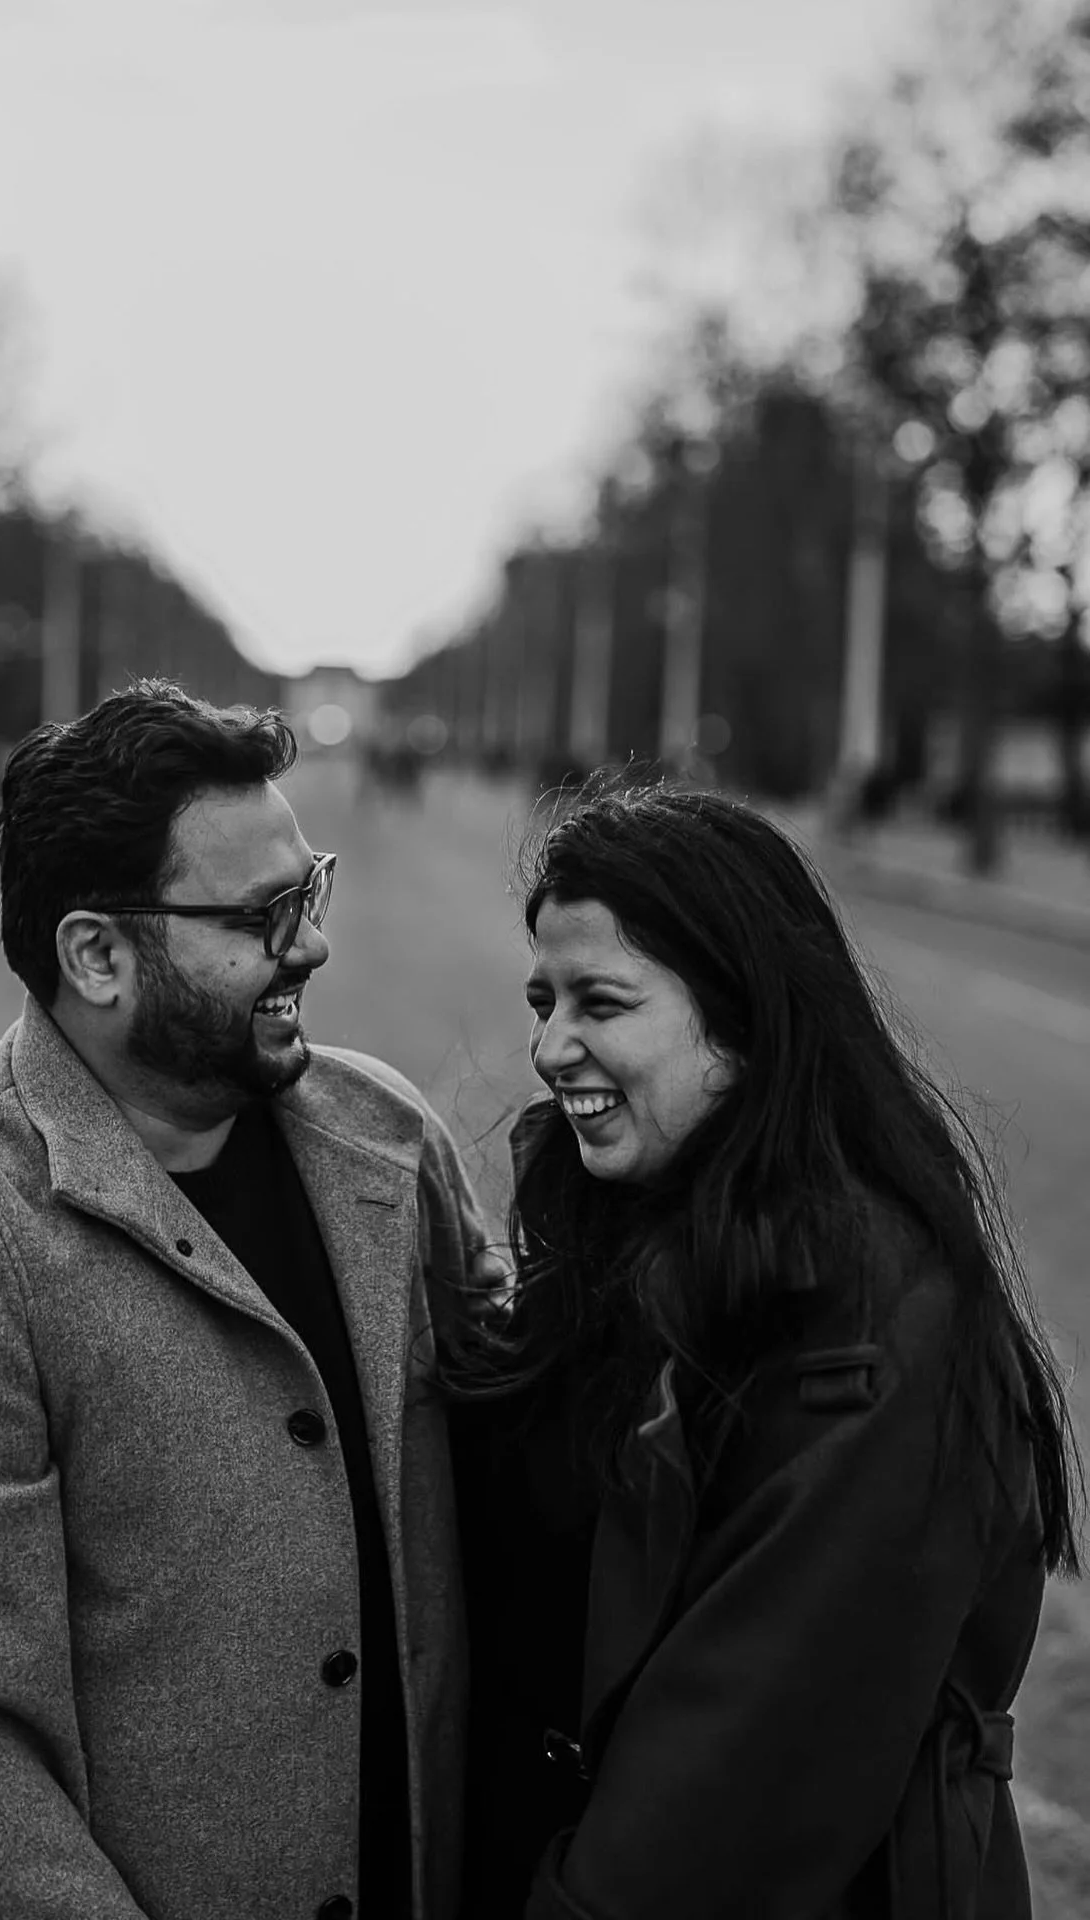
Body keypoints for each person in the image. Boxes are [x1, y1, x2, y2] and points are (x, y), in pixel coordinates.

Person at [0, 679, 490, 1920]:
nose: (310, 946)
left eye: (309, 891)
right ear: (97, 956)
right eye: (262, 916)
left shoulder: (388, 1138)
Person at [446, 780, 1082, 1920]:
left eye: (602, 1003)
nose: (549, 1047)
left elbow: (733, 1785)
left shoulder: (876, 1323)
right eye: (543, 1000)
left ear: (742, 1025)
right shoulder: (624, 1242)